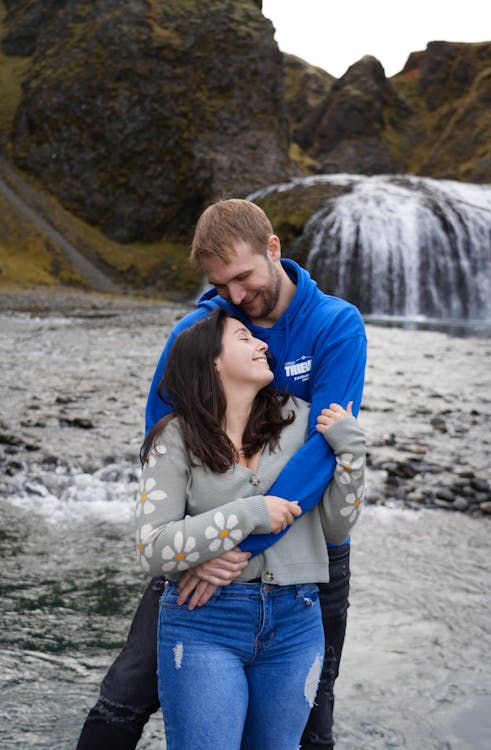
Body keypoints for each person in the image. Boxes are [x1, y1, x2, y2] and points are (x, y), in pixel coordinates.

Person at [77, 198, 367, 750]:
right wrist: (208, 542)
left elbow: (325, 447)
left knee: (314, 719)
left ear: (273, 248)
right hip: (207, 550)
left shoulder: (335, 324)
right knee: (125, 694)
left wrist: (244, 542)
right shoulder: (201, 328)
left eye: (242, 277)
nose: (234, 297)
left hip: (301, 558)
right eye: (219, 284)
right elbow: (162, 427)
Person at [137, 308, 365, 748]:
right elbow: (152, 548)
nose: (262, 344)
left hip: (297, 621)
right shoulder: (175, 437)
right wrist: (250, 513)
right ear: (211, 361)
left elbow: (336, 529)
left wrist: (351, 453)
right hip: (204, 623)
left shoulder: (305, 422)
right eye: (244, 338)